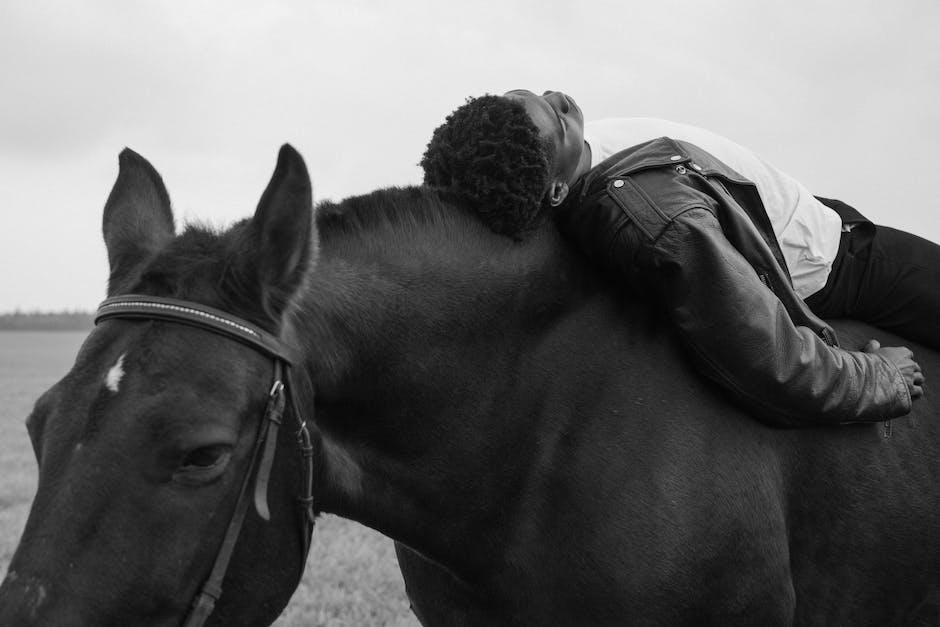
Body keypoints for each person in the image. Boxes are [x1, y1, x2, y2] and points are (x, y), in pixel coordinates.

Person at [420, 91, 927, 428]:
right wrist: (880, 378)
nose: (561, 97)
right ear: (554, 190)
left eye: (534, 95)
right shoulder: (659, 223)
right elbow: (766, 359)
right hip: (839, 263)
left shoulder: (552, 162)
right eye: (559, 119)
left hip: (816, 218)